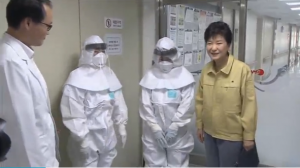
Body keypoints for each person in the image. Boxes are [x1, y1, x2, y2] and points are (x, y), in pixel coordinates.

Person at [0, 0, 59, 167]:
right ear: (27, 22)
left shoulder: (21, 56)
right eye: (48, 26)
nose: (47, 32)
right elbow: (21, 133)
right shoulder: (10, 62)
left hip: (44, 157)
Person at [195, 21, 258, 167]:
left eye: (219, 42)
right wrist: (200, 125)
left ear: (228, 45)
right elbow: (199, 100)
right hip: (209, 133)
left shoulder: (242, 70)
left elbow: (249, 106)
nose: (213, 48)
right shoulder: (206, 70)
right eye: (209, 43)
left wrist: (249, 136)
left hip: (232, 137)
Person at [60, 35, 128, 167]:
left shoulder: (109, 74)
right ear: (86, 52)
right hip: (88, 139)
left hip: (108, 137)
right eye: (96, 51)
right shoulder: (76, 77)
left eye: (102, 51)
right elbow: (73, 114)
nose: (100, 54)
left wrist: (121, 125)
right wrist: (83, 140)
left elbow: (118, 101)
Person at [139, 37, 195, 167]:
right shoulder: (149, 76)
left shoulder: (185, 77)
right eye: (161, 58)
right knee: (154, 164)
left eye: (168, 58)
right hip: (153, 134)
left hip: (178, 134)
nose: (164, 61)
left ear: (175, 57)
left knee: (177, 164)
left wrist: (175, 126)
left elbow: (188, 104)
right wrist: (154, 127)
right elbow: (145, 104)